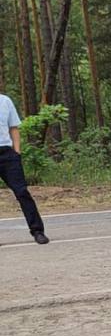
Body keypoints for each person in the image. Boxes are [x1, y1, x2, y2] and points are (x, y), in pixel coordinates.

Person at [0, 93, 49, 245]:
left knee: (22, 192)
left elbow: (13, 128)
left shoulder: (5, 101)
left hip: (7, 154)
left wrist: (17, 152)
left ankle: (37, 231)